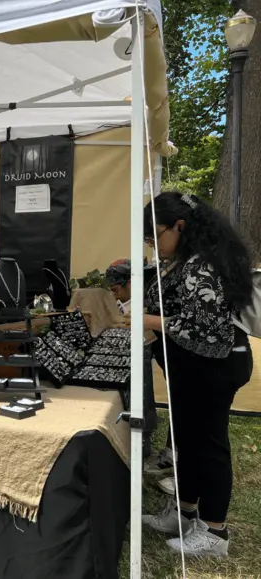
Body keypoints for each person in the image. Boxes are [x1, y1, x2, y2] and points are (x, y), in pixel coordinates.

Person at [141, 192, 253, 558]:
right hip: (191, 366)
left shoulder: (205, 264)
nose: (153, 245)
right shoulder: (183, 260)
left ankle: (215, 533)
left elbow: (208, 327)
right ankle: (184, 513)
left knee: (209, 446)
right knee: (186, 441)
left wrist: (146, 321)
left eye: (155, 235)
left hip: (215, 366)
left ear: (181, 226)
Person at [105, 259, 156, 459]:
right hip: (143, 343)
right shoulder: (130, 300)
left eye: (116, 289)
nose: (114, 294)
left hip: (149, 346)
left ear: (131, 283)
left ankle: (144, 438)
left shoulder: (147, 302)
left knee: (143, 389)